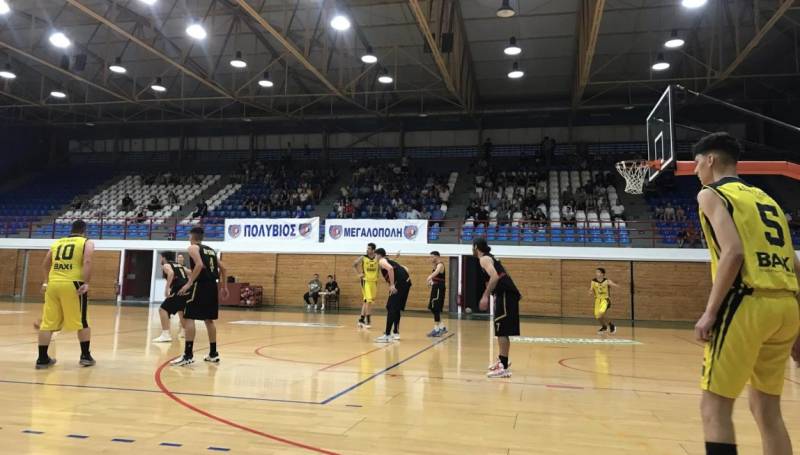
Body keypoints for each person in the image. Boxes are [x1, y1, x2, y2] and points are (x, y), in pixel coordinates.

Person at [691, 132, 799, 455]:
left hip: (747, 303)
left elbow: (734, 252)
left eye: (697, 163)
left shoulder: (711, 194)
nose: (695, 171)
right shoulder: (767, 199)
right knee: (767, 409)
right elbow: (795, 264)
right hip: (786, 307)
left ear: (711, 160)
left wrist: (710, 312)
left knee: (714, 406)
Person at [36, 220, 95, 369]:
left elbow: (45, 263)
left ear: (71, 229)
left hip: (53, 284)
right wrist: (86, 282)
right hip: (73, 284)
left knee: (47, 323)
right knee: (82, 321)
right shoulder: (86, 242)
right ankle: (85, 356)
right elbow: (87, 261)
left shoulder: (58, 242)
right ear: (84, 231)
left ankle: (42, 359)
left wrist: (46, 282)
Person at [171, 227, 229, 366]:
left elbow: (199, 265)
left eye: (189, 236)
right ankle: (213, 354)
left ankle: (188, 355)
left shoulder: (192, 248)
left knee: (189, 317)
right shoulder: (210, 250)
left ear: (191, 236)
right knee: (209, 320)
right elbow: (224, 268)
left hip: (200, 285)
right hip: (212, 286)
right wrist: (224, 287)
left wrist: (189, 283)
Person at [474, 237, 520, 378]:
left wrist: (485, 296)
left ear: (475, 247)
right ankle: (502, 360)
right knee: (501, 329)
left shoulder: (484, 259)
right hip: (505, 294)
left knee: (502, 329)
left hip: (505, 294)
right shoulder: (490, 257)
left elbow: (494, 277)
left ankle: (503, 367)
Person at [374, 248, 411, 343]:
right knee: (396, 308)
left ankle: (387, 335)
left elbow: (390, 269)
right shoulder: (389, 260)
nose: (375, 257)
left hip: (399, 284)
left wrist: (392, 284)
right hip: (406, 282)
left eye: (375, 255)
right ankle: (396, 332)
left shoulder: (381, 261)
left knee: (391, 307)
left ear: (379, 255)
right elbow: (406, 269)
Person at [153, 252, 189, 343]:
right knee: (181, 310)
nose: (161, 259)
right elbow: (191, 273)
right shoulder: (179, 265)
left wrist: (167, 289)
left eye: (161, 257)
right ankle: (185, 332)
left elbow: (171, 273)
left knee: (163, 309)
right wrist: (188, 284)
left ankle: (166, 335)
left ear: (164, 258)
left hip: (178, 289)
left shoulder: (166, 265)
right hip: (186, 290)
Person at [353, 243, 379, 329]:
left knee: (366, 301)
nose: (367, 250)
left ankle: (361, 320)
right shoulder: (363, 257)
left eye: (369, 248)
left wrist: (396, 257)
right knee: (368, 301)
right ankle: (368, 321)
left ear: (373, 250)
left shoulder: (377, 258)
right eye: (367, 248)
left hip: (374, 282)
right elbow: (354, 264)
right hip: (365, 281)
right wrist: (359, 274)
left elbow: (387, 261)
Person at [588, 268, 619, 335]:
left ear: (602, 274)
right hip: (597, 300)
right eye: (596, 272)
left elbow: (614, 284)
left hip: (605, 299)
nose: (596, 273)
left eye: (598, 272)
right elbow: (591, 288)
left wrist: (614, 284)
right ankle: (604, 327)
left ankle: (612, 326)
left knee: (601, 312)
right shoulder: (593, 281)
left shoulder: (607, 281)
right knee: (598, 316)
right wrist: (590, 291)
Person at [425, 251, 447, 337]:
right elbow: (436, 278)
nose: (430, 258)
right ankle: (442, 327)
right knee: (432, 308)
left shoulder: (440, 265)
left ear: (437, 256)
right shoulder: (435, 265)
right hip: (435, 287)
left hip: (439, 289)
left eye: (432, 257)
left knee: (435, 308)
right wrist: (431, 282)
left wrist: (430, 277)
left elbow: (437, 272)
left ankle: (437, 329)